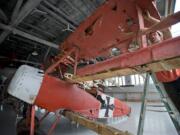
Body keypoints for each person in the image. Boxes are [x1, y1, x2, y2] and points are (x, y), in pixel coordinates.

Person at [144, 11, 180, 111]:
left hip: (178, 77)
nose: (152, 36)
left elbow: (166, 29)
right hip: (167, 83)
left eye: (155, 33)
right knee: (178, 105)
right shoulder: (150, 51)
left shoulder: (167, 43)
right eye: (150, 35)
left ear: (161, 36)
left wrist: (149, 18)